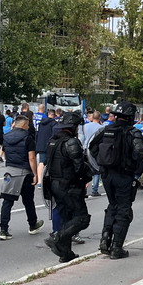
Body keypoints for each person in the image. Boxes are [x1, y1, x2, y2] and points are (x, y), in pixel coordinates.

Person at [90, 102, 143, 258]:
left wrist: (102, 163)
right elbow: (142, 152)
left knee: (112, 206)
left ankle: (105, 240)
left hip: (107, 175)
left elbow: (91, 147)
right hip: (124, 175)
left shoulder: (105, 130)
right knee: (124, 210)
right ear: (131, 117)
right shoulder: (133, 132)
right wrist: (134, 164)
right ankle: (117, 247)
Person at [44, 111, 92, 262]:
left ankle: (66, 253)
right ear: (74, 126)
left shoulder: (53, 141)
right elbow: (79, 166)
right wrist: (89, 172)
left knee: (66, 217)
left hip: (55, 184)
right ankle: (58, 237)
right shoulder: (71, 142)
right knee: (82, 218)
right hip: (69, 185)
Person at [0, 115, 44, 240]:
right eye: (28, 124)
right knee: (28, 201)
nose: (29, 127)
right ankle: (33, 225)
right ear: (23, 125)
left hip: (10, 171)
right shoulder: (28, 138)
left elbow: (6, 153)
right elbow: (32, 158)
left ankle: (3, 229)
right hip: (24, 172)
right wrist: (35, 174)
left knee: (7, 201)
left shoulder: (6, 137)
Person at [82, 110, 104, 197]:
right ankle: (95, 190)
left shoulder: (85, 127)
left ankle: (84, 190)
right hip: (96, 151)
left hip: (85, 149)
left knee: (84, 169)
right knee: (97, 170)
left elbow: (82, 139)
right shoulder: (101, 128)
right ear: (99, 118)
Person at [35, 108, 57, 186]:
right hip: (49, 145)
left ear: (48, 114)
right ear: (54, 115)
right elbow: (54, 135)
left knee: (41, 162)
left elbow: (37, 133)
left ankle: (39, 182)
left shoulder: (41, 123)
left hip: (40, 144)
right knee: (51, 163)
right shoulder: (54, 123)